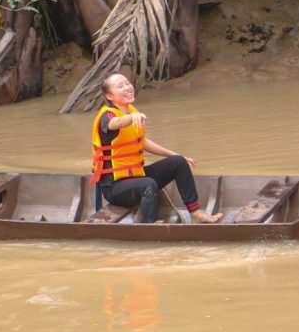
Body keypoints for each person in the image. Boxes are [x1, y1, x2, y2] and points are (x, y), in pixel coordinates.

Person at [90, 73, 222, 223]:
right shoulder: (107, 117)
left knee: (178, 162)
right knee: (148, 184)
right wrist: (131, 119)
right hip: (114, 187)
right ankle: (150, 227)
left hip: (136, 177)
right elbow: (116, 123)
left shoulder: (131, 110)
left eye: (127, 84)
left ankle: (196, 213)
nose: (127, 88)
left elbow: (142, 142)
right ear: (109, 96)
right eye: (120, 86)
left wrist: (174, 154)